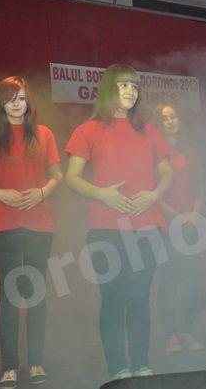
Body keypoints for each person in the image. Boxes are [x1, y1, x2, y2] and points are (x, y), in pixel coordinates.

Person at [65, 64, 172, 380]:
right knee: (113, 298)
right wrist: (102, 194)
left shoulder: (149, 130)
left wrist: (153, 196)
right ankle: (118, 368)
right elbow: (72, 177)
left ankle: (141, 364)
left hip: (148, 226)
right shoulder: (88, 130)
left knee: (140, 298)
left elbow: (167, 172)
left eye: (135, 87)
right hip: (106, 228)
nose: (130, 91)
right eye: (124, 85)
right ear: (109, 88)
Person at [0, 76, 62, 388]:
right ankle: (9, 367)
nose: (17, 104)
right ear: (1, 103)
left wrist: (43, 192)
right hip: (3, 223)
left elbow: (57, 175)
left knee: (36, 291)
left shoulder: (44, 133)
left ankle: (36, 362)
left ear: (28, 102)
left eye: (21, 98)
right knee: (10, 294)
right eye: (11, 99)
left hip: (40, 222)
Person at [152, 104, 204, 353]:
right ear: (158, 124)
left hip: (190, 224)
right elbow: (152, 190)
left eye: (173, 116)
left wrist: (193, 215)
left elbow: (198, 187)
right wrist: (175, 217)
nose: (170, 121)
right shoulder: (155, 153)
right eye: (165, 118)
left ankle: (187, 331)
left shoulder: (190, 152)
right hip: (164, 224)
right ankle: (170, 335)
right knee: (167, 280)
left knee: (190, 280)